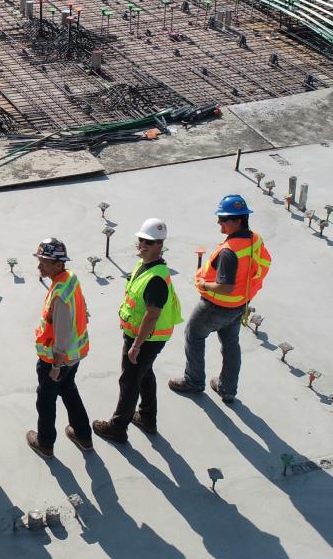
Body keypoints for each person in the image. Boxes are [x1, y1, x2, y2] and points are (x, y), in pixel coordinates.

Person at [170, 195, 273, 404]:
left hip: (216, 307)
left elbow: (225, 287)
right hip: (240, 304)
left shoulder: (229, 252)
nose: (219, 223)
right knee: (230, 344)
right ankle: (227, 388)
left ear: (237, 221)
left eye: (223, 219)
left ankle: (193, 381)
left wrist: (203, 284)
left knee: (194, 335)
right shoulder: (255, 239)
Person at [93, 220, 183, 444]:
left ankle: (117, 428)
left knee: (129, 381)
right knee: (144, 374)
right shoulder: (145, 266)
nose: (142, 245)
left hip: (146, 339)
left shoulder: (155, 279)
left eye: (149, 242)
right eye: (141, 240)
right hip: (144, 337)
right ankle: (147, 417)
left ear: (159, 245)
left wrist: (136, 346)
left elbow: (152, 315)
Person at [26, 238, 93, 457]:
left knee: (45, 400)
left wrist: (56, 365)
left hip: (57, 360)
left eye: (44, 262)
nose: (39, 266)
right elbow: (82, 306)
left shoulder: (60, 294)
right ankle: (83, 435)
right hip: (75, 355)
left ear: (58, 264)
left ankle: (45, 443)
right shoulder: (70, 279)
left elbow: (61, 333)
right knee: (69, 390)